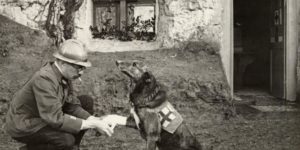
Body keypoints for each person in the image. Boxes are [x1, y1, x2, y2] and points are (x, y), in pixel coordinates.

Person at [4, 39, 126, 150]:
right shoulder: (44, 79)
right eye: (78, 67)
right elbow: (54, 118)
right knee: (65, 140)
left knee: (86, 102)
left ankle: (72, 147)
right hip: (26, 124)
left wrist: (94, 119)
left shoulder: (63, 75)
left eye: (83, 68)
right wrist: (93, 124)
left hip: (44, 117)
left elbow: (71, 104)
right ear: (62, 63)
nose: (81, 72)